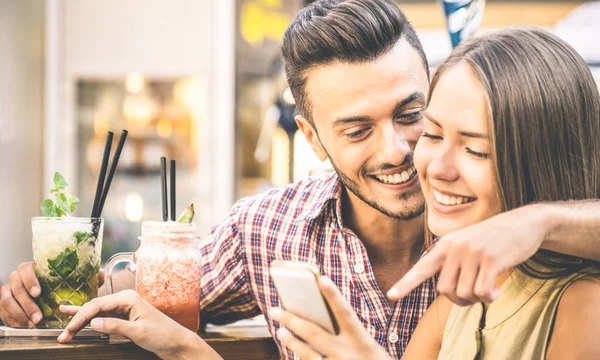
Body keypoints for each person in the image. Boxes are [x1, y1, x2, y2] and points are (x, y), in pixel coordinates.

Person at [2, 1, 600, 359]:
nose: (405, 152)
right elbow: (166, 275)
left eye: (414, 116)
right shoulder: (271, 229)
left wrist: (536, 221)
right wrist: (59, 285)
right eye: (357, 129)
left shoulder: (512, 261)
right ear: (312, 139)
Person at [271, 27, 600, 359]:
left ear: (543, 163)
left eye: (476, 150)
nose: (435, 168)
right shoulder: (455, 306)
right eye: (432, 134)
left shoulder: (585, 306)